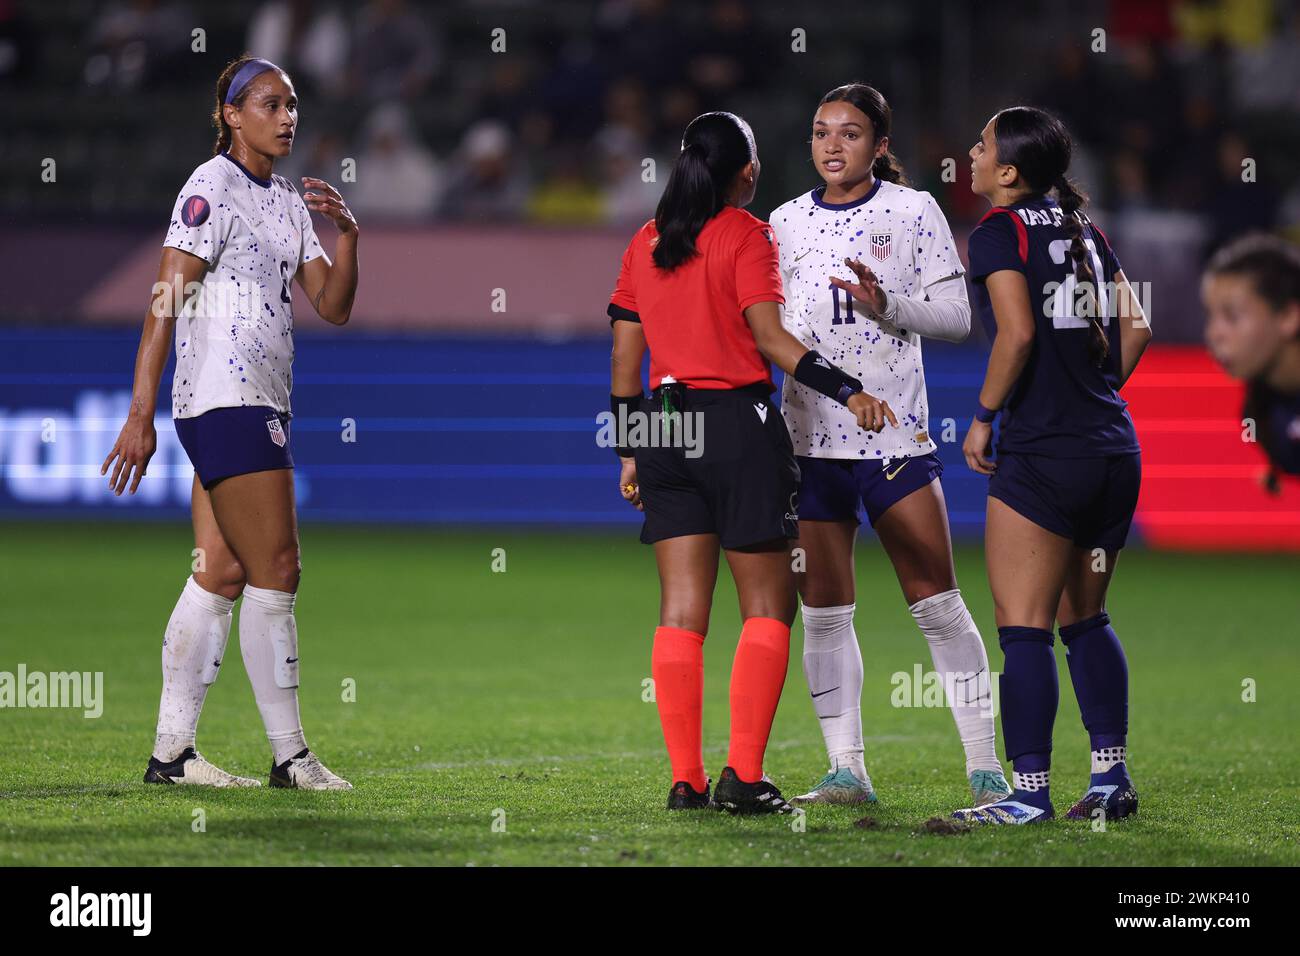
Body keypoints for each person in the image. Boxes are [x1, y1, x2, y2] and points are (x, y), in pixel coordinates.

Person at [607, 111, 894, 814]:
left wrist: (629, 448)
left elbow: (624, 363)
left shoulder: (647, 241)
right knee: (767, 604)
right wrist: (847, 387)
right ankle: (742, 776)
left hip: (665, 425)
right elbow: (771, 339)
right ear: (746, 171)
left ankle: (685, 781)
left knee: (680, 610)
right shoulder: (747, 234)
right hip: (737, 422)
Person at [101, 54, 359, 790]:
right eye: (271, 105)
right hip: (224, 396)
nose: (287, 118)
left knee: (220, 571)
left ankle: (172, 755)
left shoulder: (284, 200)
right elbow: (163, 300)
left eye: (293, 105)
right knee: (279, 569)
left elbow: (332, 305)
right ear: (232, 115)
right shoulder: (210, 187)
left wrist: (349, 238)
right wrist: (140, 412)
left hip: (261, 399)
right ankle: (291, 756)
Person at [769, 83, 1010, 809]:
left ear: (879, 146)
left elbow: (959, 318)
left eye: (849, 133)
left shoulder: (913, 211)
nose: (831, 146)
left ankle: (986, 768)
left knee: (937, 602)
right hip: (808, 442)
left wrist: (889, 306)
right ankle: (847, 771)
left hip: (894, 440)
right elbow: (772, 330)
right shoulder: (781, 222)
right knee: (824, 612)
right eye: (820, 132)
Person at [954, 106, 1152, 824]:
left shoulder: (997, 233)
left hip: (1042, 454)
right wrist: (1094, 395)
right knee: (1087, 619)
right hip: (1111, 449)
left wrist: (982, 419)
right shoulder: (1088, 233)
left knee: (1024, 626)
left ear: (1008, 171)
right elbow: (1139, 324)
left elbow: (1017, 332)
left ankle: (1028, 794)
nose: (970, 155)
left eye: (981, 146)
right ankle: (1109, 777)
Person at [1202, 233, 1300, 484]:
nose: (1214, 333)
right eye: (1211, 316)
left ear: (1288, 316)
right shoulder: (1261, 412)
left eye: (1232, 316)